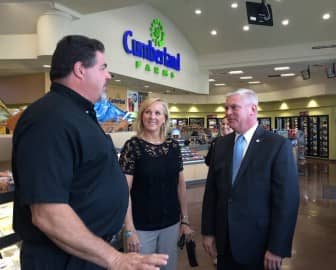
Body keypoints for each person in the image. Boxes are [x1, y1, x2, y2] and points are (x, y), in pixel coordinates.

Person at [12, 35, 168, 270]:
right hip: (63, 259)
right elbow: (47, 213)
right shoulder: (49, 119)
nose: (108, 75)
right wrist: (115, 258)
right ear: (80, 70)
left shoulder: (79, 113)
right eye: (103, 67)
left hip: (88, 253)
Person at [201, 88, 300, 270]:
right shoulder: (221, 145)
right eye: (226, 108)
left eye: (234, 107)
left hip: (259, 247)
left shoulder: (277, 146)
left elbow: (287, 200)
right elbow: (211, 192)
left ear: (252, 109)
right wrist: (208, 232)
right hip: (225, 244)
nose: (228, 113)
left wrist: (277, 247)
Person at [119, 97, 193, 270]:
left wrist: (185, 220)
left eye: (157, 113)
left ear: (165, 119)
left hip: (171, 224)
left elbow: (180, 186)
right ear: (141, 116)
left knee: (169, 266)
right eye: (148, 112)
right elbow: (124, 192)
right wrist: (129, 230)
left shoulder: (173, 147)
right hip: (141, 227)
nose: (152, 117)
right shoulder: (133, 147)